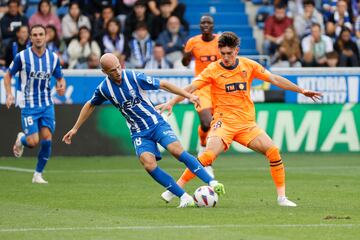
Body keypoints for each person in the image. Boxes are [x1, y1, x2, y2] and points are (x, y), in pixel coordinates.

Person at [159, 32, 322, 207]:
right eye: (223, 53)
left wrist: (302, 90)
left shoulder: (248, 65)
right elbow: (191, 87)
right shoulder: (213, 70)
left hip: (247, 125)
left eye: (230, 53)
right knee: (207, 156)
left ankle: (282, 198)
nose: (226, 57)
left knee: (273, 151)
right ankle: (174, 189)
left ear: (237, 50)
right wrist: (172, 101)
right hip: (224, 123)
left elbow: (274, 79)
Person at [62, 53, 225, 208]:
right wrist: (75, 128)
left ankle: (212, 182)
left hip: (156, 123)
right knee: (148, 164)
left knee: (176, 151)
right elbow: (90, 104)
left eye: (119, 67)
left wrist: (188, 95)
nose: (118, 72)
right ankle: (184, 197)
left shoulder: (133, 76)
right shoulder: (105, 89)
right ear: (104, 72)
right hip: (139, 132)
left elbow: (163, 84)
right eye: (113, 70)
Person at [4, 24, 66, 184]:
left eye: (41, 34)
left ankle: (38, 174)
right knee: (32, 142)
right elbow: (7, 76)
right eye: (35, 35)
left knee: (47, 139)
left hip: (46, 104)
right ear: (30, 38)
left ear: (46, 37)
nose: (38, 37)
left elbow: (60, 77)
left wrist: (61, 86)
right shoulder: (22, 57)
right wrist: (9, 94)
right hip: (29, 104)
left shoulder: (53, 58)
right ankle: (21, 139)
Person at [181, 15, 220, 157]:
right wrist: (185, 55)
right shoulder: (193, 42)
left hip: (217, 87)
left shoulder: (220, 42)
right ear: (200, 25)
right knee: (206, 123)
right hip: (201, 86)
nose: (205, 25)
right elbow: (185, 63)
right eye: (203, 22)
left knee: (215, 124)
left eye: (208, 22)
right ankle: (203, 146)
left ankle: (206, 151)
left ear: (213, 26)